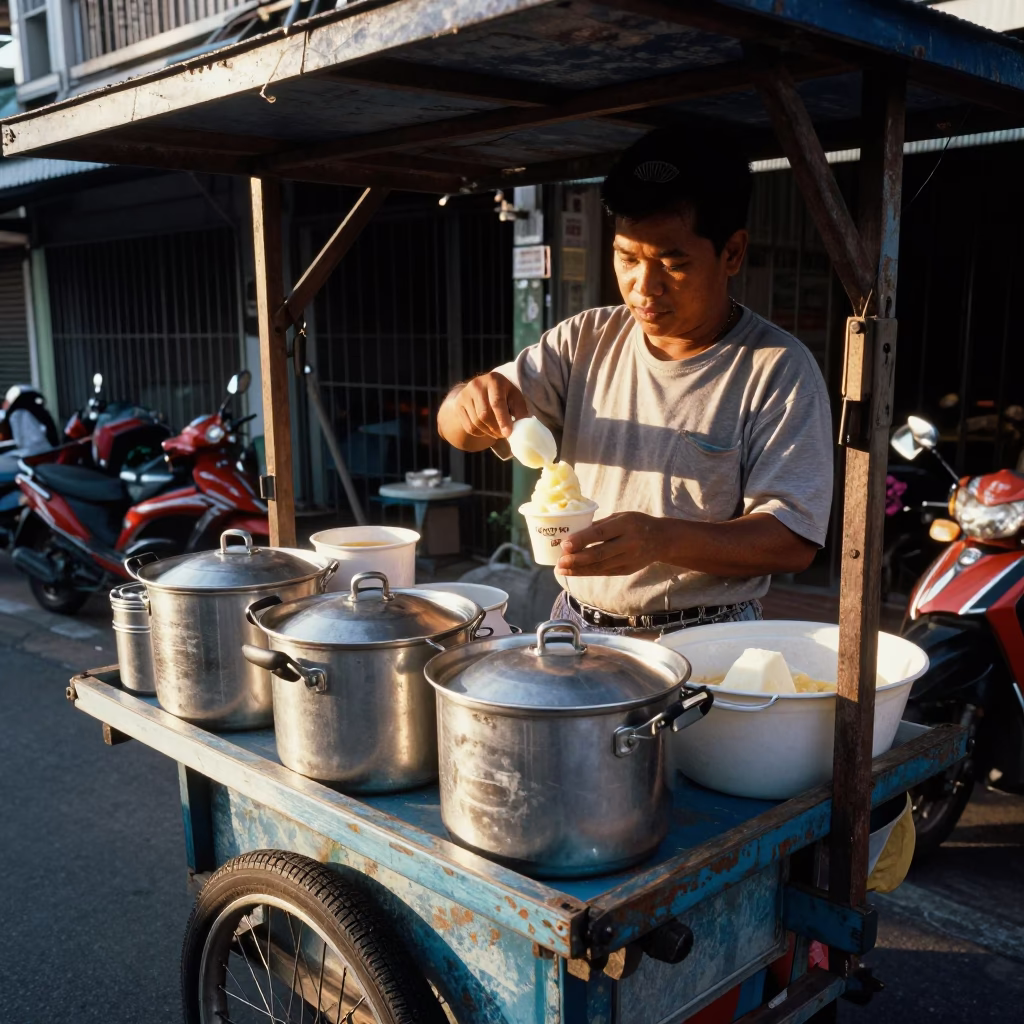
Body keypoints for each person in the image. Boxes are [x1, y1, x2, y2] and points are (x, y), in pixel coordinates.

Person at [437, 129, 833, 636]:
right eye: (627, 258)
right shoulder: (585, 340)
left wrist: (661, 540)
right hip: (578, 627)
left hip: (711, 635)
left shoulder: (776, 368)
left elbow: (791, 540)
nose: (644, 288)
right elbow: (459, 430)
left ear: (732, 253)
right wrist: (469, 401)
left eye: (673, 262)